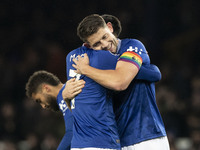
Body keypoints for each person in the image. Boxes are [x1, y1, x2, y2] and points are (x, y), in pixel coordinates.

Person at [71, 14, 170, 150]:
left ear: (110, 27)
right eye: (97, 44)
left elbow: (120, 82)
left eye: (104, 37)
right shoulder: (95, 62)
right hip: (116, 141)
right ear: (88, 46)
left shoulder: (132, 46)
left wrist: (86, 69)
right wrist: (64, 93)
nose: (105, 45)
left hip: (147, 136)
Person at [25, 71, 85, 150]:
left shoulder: (63, 95)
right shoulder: (68, 90)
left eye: (39, 100)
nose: (43, 106)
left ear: (46, 88)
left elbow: (72, 131)